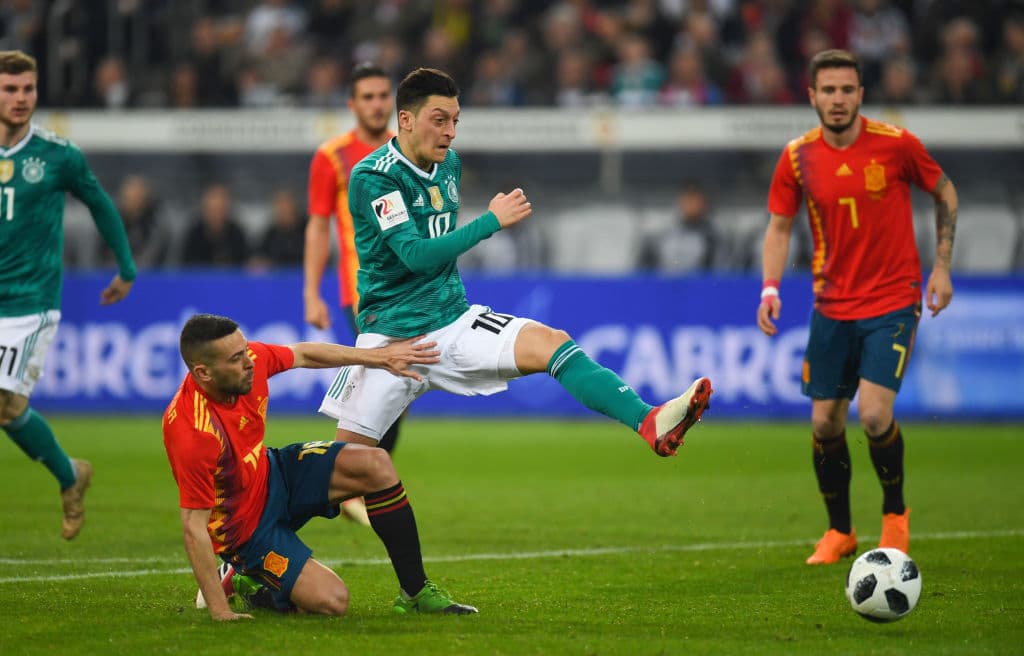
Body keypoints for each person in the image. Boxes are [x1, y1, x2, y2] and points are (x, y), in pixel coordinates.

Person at [317, 67, 712, 466]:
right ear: (406, 119)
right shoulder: (373, 176)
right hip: (391, 341)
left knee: (554, 343)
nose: (451, 131)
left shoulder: (449, 165)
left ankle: (649, 421)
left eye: (455, 120)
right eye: (440, 120)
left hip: (452, 324)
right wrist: (490, 221)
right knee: (340, 472)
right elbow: (415, 256)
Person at [756, 49, 958, 565]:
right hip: (832, 305)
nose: (838, 99)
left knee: (872, 414)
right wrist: (771, 288)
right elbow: (778, 227)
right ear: (812, 97)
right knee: (824, 423)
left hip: (892, 300)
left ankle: (895, 516)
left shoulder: (896, 145)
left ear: (861, 95)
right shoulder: (797, 157)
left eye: (847, 90)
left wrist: (941, 266)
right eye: (829, 90)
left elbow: (945, 191)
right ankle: (840, 531)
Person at [162, 313, 477, 620]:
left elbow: (303, 353)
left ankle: (415, 593)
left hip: (274, 473)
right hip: (245, 531)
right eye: (235, 358)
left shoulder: (250, 361)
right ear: (203, 373)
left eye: (245, 350)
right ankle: (248, 578)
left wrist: (379, 357)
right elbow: (194, 528)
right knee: (332, 601)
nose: (249, 361)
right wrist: (220, 611)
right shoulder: (193, 432)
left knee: (375, 463)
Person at [0, 50, 137, 540]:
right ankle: (70, 473)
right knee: (8, 409)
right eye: (10, 89)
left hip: (28, 303)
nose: (20, 98)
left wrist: (125, 266)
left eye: (27, 89)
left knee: (3, 403)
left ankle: (68, 475)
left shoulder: (57, 155)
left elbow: (99, 203)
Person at [304, 62, 405, 494]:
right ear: (352, 104)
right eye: (368, 97)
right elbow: (318, 225)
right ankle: (348, 485)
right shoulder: (331, 157)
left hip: (410, 291)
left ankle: (349, 483)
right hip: (363, 293)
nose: (378, 104)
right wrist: (311, 292)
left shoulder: (405, 150)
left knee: (389, 395)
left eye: (384, 95)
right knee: (388, 389)